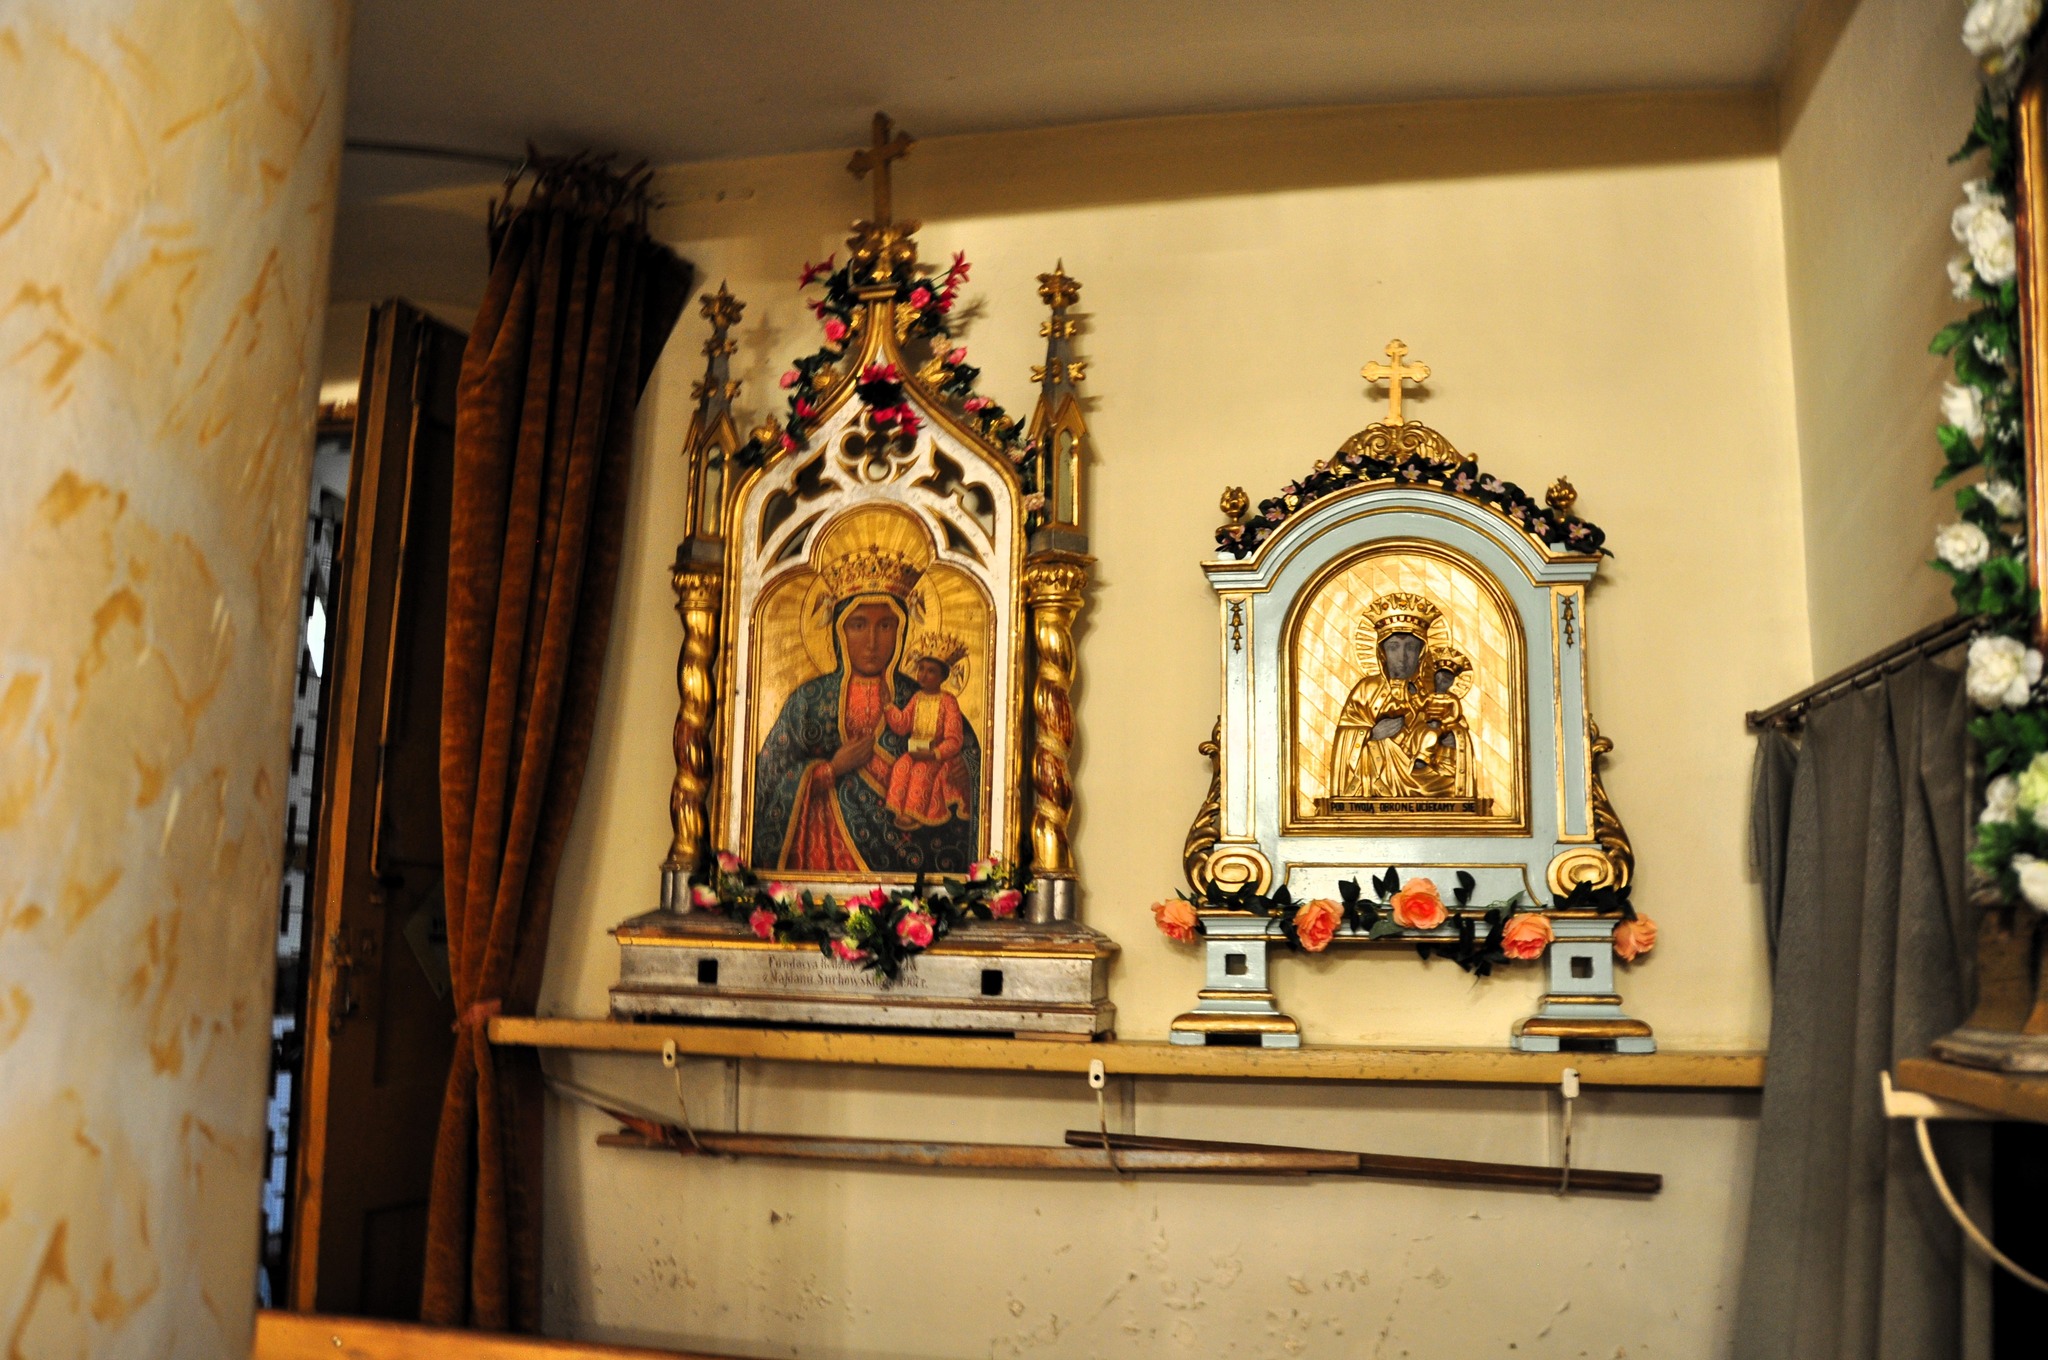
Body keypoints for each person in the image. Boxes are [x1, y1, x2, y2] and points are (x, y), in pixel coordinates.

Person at [749, 545, 980, 875]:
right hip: (818, 864)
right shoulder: (809, 700)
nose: (872, 641)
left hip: (914, 861)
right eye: (858, 625)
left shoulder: (921, 696)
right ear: (839, 630)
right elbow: (766, 781)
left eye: (885, 626)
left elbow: (972, 758)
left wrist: (964, 773)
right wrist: (829, 770)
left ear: (901, 631)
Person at [880, 637, 971, 830]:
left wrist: (934, 753)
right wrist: (888, 705)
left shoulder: (948, 701)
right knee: (901, 767)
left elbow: (954, 739)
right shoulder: (917, 698)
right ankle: (900, 809)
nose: (923, 675)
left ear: (942, 677)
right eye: (921, 669)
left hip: (937, 755)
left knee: (921, 772)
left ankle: (914, 813)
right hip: (916, 751)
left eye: (931, 671)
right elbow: (903, 725)